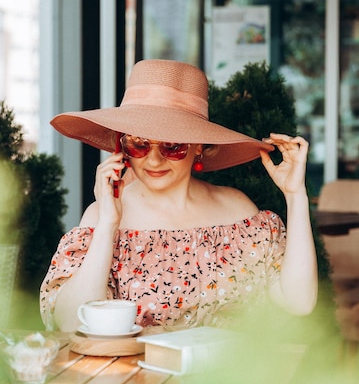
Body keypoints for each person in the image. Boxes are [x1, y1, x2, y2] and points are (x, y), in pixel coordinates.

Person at [40, 59, 317, 332]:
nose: (155, 160)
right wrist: (107, 225)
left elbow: (299, 303)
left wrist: (295, 196)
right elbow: (70, 323)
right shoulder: (102, 215)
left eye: (172, 145)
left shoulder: (239, 213)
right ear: (121, 146)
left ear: (199, 147)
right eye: (139, 144)